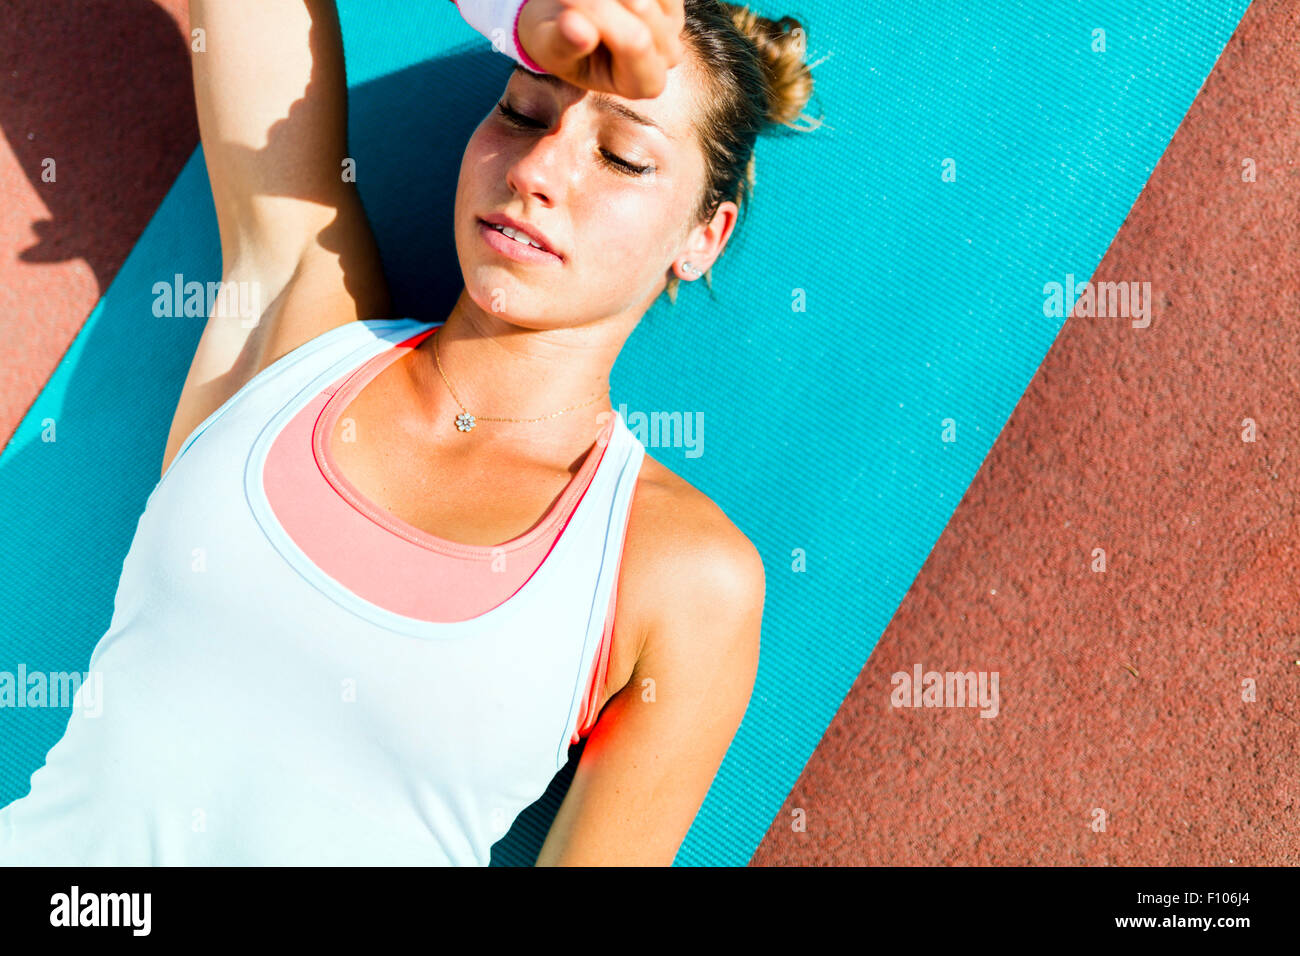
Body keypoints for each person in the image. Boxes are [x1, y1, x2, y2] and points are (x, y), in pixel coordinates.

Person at [0, 0, 819, 866]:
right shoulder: (297, 326)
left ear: (704, 236)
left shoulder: (681, 573)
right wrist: (508, 7)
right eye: (521, 110)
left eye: (621, 156)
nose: (539, 167)